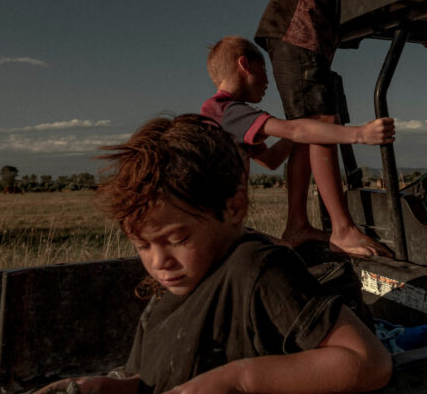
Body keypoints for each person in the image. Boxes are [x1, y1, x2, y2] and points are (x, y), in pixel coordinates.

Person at [33, 114, 393, 394]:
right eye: (143, 246)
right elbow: (159, 379)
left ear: (234, 208)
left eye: (177, 238)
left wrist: (240, 380)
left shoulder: (258, 271)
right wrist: (118, 388)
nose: (159, 261)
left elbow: (369, 361)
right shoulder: (165, 297)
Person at [204, 37, 395, 257]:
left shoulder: (224, 118)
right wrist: (360, 134)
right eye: (264, 69)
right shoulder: (225, 110)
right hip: (217, 230)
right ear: (244, 65)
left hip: (226, 226)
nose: (268, 80)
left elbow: (270, 159)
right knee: (285, 262)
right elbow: (293, 131)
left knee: (289, 251)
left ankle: (299, 228)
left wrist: (307, 125)